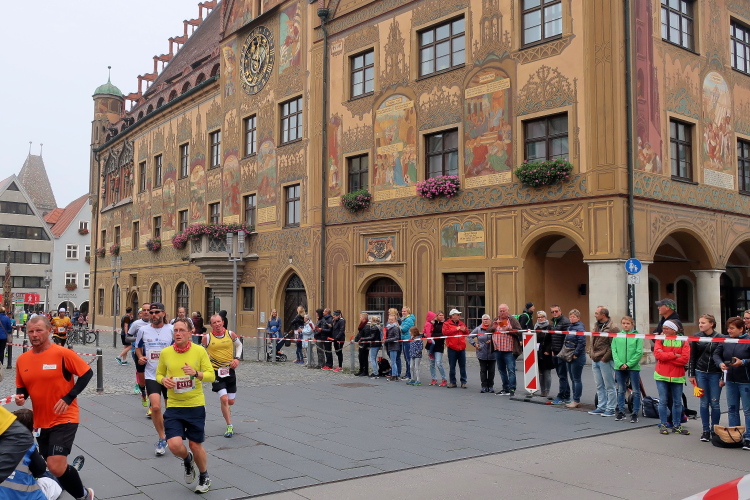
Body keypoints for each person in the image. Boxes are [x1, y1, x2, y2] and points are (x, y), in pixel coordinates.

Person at [14, 316, 95, 500]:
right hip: (41, 421)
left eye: (39, 330)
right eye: (31, 331)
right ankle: (82, 491)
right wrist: (20, 397)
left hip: (65, 416)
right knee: (54, 466)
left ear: (49, 331)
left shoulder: (62, 353)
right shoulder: (22, 360)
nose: (34, 335)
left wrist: (68, 397)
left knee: (55, 465)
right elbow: (22, 388)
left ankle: (83, 496)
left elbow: (86, 373)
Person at [156, 317, 216, 493]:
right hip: (174, 405)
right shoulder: (166, 353)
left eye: (182, 330)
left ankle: (204, 476)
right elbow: (158, 374)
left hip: (195, 404)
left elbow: (211, 376)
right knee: (174, 445)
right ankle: (188, 460)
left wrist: (196, 373)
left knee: (195, 445)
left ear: (190, 333)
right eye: (175, 330)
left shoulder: (199, 351)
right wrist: (164, 380)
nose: (178, 333)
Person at [135, 302, 174, 456]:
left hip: (169, 375)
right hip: (151, 374)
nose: (154, 315)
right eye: (151, 312)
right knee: (156, 407)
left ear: (163, 313)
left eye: (157, 312)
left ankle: (172, 432)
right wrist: (140, 357)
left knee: (170, 409)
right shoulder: (143, 330)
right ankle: (162, 437)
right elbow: (138, 347)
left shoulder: (171, 329)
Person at [713, 317, 750, 450]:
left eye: (732, 328)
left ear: (741, 329)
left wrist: (743, 362)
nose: (729, 331)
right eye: (728, 328)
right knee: (732, 409)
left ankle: (748, 437)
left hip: (745, 381)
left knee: (747, 410)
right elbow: (716, 355)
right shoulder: (725, 340)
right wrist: (720, 364)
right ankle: (735, 436)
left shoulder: (748, 340)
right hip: (730, 380)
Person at [202, 314, 242, 438]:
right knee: (224, 399)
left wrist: (237, 358)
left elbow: (239, 345)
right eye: (214, 323)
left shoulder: (230, 334)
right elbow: (201, 352)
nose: (217, 324)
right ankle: (229, 425)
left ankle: (227, 410)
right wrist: (205, 357)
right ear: (211, 325)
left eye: (219, 321)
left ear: (223, 322)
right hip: (215, 372)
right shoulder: (207, 338)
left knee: (231, 401)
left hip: (229, 371)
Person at [688, 314, 726, 442]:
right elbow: (692, 357)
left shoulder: (721, 337)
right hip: (700, 372)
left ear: (712, 324)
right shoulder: (696, 337)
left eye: (703, 323)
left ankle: (715, 430)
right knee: (704, 402)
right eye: (700, 322)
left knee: (715, 403)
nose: (700, 325)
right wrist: (691, 374)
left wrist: (723, 376)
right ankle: (705, 430)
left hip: (715, 373)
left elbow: (723, 358)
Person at [654, 320, 691, 435]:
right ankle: (663, 424)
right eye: (663, 328)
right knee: (663, 401)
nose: (663, 330)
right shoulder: (660, 339)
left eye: (666, 328)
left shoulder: (683, 340)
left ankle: (677, 425)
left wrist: (666, 358)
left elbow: (684, 359)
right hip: (661, 375)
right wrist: (674, 355)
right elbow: (658, 355)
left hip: (677, 375)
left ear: (674, 330)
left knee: (677, 402)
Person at [588, 306, 619, 417]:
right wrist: (590, 352)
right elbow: (592, 340)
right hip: (595, 358)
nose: (595, 315)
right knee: (599, 385)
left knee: (609, 385)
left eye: (597, 313)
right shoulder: (596, 325)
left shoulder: (613, 327)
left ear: (603, 315)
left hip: (605, 360)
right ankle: (601, 407)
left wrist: (605, 357)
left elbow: (613, 345)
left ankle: (611, 408)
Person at [611, 316, 643, 423]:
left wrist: (628, 364)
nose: (625, 325)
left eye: (628, 323)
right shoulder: (617, 336)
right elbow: (614, 351)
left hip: (633, 367)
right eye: (624, 323)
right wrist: (619, 363)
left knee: (636, 390)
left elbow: (639, 352)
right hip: (619, 367)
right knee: (621, 390)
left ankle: (635, 413)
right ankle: (621, 411)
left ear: (632, 324)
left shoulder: (637, 336)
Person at [493, 304, 522, 396]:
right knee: (501, 370)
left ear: (508, 311)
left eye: (504, 311)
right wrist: (493, 327)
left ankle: (512, 388)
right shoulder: (495, 320)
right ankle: (505, 388)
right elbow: (489, 330)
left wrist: (509, 329)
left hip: (509, 350)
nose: (502, 313)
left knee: (511, 370)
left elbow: (519, 331)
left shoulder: (512, 320)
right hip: (498, 350)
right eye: (500, 311)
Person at [128, 304, 152, 408]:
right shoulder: (136, 324)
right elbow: (127, 338)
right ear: (141, 312)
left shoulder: (156, 324)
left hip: (152, 355)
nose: (146, 312)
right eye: (144, 310)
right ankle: (143, 392)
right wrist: (139, 339)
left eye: (148, 310)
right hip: (139, 353)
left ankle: (151, 405)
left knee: (151, 379)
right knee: (142, 381)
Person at [549, 305, 572, 405]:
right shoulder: (554, 322)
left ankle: (561, 396)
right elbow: (553, 337)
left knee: (562, 376)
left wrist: (562, 352)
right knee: (561, 375)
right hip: (555, 351)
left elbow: (566, 338)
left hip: (562, 353)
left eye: (556, 311)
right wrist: (552, 349)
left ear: (560, 311)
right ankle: (566, 395)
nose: (554, 313)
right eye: (552, 312)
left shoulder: (565, 322)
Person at [564, 309, 587, 409]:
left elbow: (582, 342)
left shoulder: (580, 328)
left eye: (574, 317)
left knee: (576, 379)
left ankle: (577, 400)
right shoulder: (570, 327)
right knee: (572, 378)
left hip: (577, 356)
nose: (571, 318)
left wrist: (576, 354)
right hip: (569, 355)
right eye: (570, 316)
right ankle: (574, 399)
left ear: (578, 318)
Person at [469, 314, 496, 393]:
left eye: (487, 319)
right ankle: (484, 386)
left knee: (491, 371)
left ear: (490, 320)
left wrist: (492, 341)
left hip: (492, 353)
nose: (485, 321)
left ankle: (490, 386)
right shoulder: (478, 329)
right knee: (483, 370)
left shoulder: (494, 328)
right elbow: (470, 337)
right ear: (482, 320)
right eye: (484, 319)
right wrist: (475, 344)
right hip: (481, 353)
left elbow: (499, 337)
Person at [443, 309, 468, 388]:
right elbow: (445, 332)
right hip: (452, 348)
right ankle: (452, 382)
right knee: (452, 366)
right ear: (452, 315)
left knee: (462, 366)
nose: (459, 316)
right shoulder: (446, 324)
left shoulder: (461, 323)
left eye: (459, 315)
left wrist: (465, 330)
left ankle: (463, 381)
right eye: (458, 314)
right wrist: (456, 329)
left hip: (461, 348)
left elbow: (467, 333)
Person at [534, 311, 554, 398]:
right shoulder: (535, 327)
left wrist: (548, 350)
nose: (540, 318)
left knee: (547, 373)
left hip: (546, 352)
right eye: (538, 317)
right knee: (540, 373)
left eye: (542, 317)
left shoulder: (549, 326)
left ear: (545, 317)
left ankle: (547, 391)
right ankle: (542, 390)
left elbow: (551, 340)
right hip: (538, 352)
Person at [425, 311, 448, 387]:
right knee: (431, 363)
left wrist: (433, 335)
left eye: (442, 315)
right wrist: (428, 335)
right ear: (436, 316)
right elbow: (426, 332)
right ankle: (434, 379)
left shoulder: (445, 324)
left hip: (439, 346)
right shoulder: (432, 323)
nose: (441, 316)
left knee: (438, 363)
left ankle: (444, 379)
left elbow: (444, 334)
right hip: (430, 346)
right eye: (439, 315)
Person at [399, 307, 416, 380]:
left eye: (405, 311)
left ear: (408, 312)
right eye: (402, 311)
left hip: (407, 340)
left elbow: (404, 329)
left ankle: (409, 375)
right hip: (404, 339)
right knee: (406, 358)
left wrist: (399, 326)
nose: (403, 312)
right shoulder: (404, 319)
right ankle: (407, 373)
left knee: (408, 358)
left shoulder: (409, 319)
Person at [384, 314, 401, 381]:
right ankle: (395, 375)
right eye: (389, 319)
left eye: (392, 320)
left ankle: (394, 375)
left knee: (393, 362)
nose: (390, 321)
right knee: (393, 361)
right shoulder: (389, 327)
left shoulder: (395, 328)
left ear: (395, 320)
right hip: (391, 346)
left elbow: (397, 337)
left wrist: (387, 340)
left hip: (394, 346)